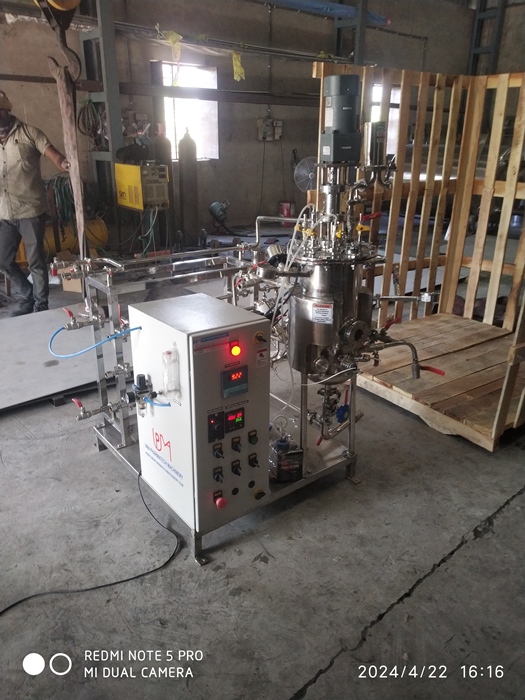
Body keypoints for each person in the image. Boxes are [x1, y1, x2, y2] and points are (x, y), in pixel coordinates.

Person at [0, 90, 69, 316]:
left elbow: (51, 152)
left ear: (6, 111)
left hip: (30, 210)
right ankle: (27, 294)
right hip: (5, 212)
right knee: (3, 260)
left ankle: (41, 304)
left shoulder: (29, 133)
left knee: (35, 261)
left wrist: (63, 162)